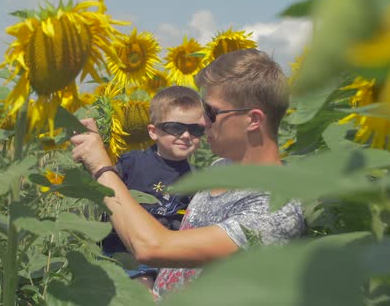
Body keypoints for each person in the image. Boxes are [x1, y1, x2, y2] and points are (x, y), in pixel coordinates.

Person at [71, 49, 305, 301]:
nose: (203, 124)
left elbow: (153, 247)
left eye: (212, 113)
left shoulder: (274, 208)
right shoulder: (220, 169)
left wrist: (101, 167)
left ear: (253, 120)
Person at [103, 85, 205, 289]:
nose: (186, 135)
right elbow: (103, 191)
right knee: (144, 287)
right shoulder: (132, 162)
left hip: (171, 256)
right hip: (126, 253)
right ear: (153, 131)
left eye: (195, 130)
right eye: (175, 128)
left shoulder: (199, 178)